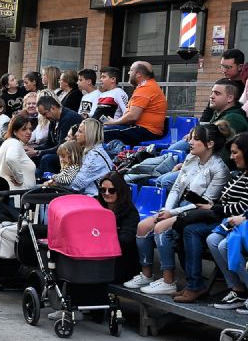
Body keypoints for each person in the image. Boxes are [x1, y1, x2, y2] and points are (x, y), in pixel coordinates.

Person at [124, 124, 228, 295]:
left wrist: (171, 214)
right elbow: (177, 188)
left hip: (199, 212)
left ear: (209, 143)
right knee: (143, 226)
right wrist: (167, 208)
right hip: (178, 207)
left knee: (160, 227)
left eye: (196, 139)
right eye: (191, 137)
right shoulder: (190, 159)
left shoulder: (219, 169)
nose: (190, 142)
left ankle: (168, 280)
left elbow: (205, 202)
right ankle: (146, 274)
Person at [208, 133, 248, 309]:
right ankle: (237, 289)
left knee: (225, 245)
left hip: (242, 221)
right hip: (236, 221)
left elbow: (243, 206)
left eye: (235, 152)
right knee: (212, 239)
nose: (231, 157)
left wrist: (243, 217)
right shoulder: (239, 173)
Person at [104, 62, 166, 144]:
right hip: (143, 129)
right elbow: (130, 113)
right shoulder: (147, 86)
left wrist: (114, 122)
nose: (128, 73)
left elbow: (133, 116)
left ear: (138, 74)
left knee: (98, 134)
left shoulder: (146, 88)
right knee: (99, 131)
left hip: (146, 131)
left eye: (131, 70)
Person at [32, 95, 83, 175]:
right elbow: (48, 144)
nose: (45, 117)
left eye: (45, 114)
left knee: (47, 159)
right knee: (33, 159)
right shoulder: (53, 120)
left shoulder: (68, 118)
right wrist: (33, 150)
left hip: (73, 155)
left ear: (53, 108)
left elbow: (62, 147)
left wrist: (38, 152)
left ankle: (50, 185)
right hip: (61, 153)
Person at [71, 118, 114, 195]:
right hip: (88, 195)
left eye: (80, 132)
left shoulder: (94, 155)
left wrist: (55, 182)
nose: (76, 134)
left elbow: (77, 184)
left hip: (98, 199)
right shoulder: (91, 151)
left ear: (89, 134)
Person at [0, 114, 36, 190]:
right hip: (15, 194)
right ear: (15, 132)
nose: (29, 132)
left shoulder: (10, 142)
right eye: (24, 129)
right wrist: (19, 180)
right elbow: (11, 158)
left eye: (30, 129)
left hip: (14, 193)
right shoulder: (14, 143)